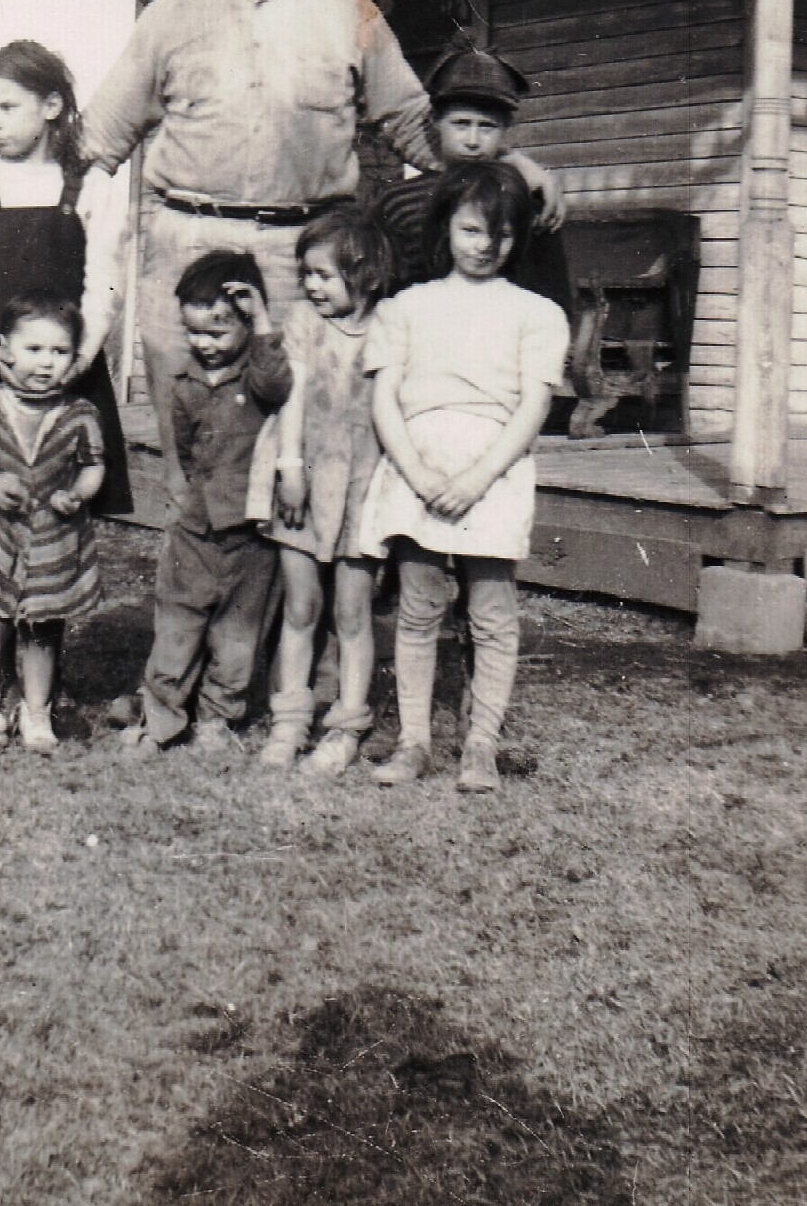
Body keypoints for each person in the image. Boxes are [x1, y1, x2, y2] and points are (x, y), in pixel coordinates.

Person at [79, 0, 560, 499]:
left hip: (308, 257)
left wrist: (512, 167)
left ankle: (296, 603)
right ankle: (200, 594)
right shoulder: (169, 16)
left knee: (302, 441)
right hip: (187, 245)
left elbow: (417, 128)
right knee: (192, 446)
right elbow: (98, 140)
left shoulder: (350, 12)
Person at [359, 161, 570, 794]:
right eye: (473, 231)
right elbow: (384, 401)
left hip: (493, 470)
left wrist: (478, 477)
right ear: (448, 227)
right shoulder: (405, 308)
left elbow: (531, 410)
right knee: (419, 608)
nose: (485, 247)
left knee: (492, 612)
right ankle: (415, 741)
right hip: (418, 464)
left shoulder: (537, 315)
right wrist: (420, 473)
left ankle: (481, 745)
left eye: (501, 236)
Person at [0, 39, 131, 518]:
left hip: (67, 369)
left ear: (51, 106)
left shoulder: (90, 184)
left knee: (67, 505)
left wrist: (80, 358)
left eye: (6, 107)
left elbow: (105, 279)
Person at [121, 252, 291, 753]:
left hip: (251, 534)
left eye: (216, 333)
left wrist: (263, 324)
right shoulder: (184, 386)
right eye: (193, 333)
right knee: (176, 622)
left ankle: (218, 719)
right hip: (195, 530)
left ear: (245, 323)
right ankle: (161, 718)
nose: (203, 345)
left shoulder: (259, 376)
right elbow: (188, 452)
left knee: (238, 635)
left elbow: (278, 384)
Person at [246, 210, 394, 775]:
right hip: (303, 475)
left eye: (324, 276)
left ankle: (346, 725)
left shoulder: (389, 325)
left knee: (353, 612)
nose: (311, 286)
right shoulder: (306, 322)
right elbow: (293, 396)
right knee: (302, 605)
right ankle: (288, 723)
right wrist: (290, 466)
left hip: (362, 483)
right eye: (306, 274)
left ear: (367, 277)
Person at [0, 294, 108, 754]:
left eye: (59, 353)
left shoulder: (79, 415)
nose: (45, 363)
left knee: (43, 629)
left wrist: (77, 493)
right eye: (33, 350)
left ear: (74, 358)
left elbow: (93, 466)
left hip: (52, 536)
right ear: (5, 347)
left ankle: (36, 710)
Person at [372, 41, 572, 319]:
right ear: (434, 121)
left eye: (487, 126)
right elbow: (383, 292)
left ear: (506, 128)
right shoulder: (398, 201)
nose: (473, 141)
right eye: (461, 124)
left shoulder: (527, 195)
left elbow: (552, 297)